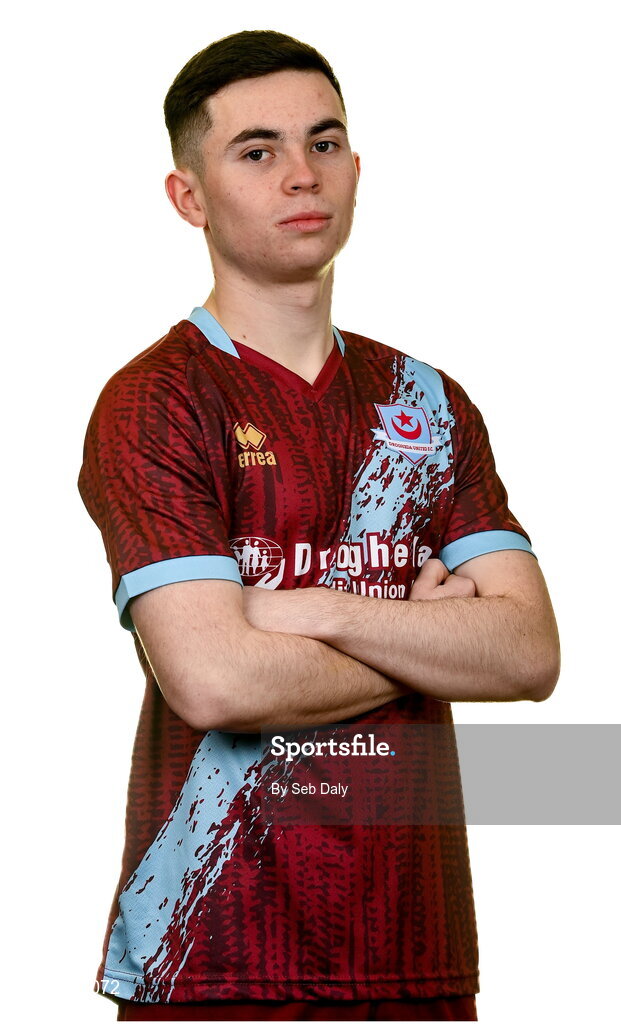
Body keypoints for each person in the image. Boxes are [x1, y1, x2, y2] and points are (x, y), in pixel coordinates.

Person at [77, 29, 560, 1023]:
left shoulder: (428, 402)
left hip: (414, 950)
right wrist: (426, 636)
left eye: (325, 142)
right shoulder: (157, 400)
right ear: (190, 197)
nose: (303, 174)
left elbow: (530, 652)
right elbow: (216, 679)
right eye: (257, 151)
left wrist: (299, 610)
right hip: (214, 952)